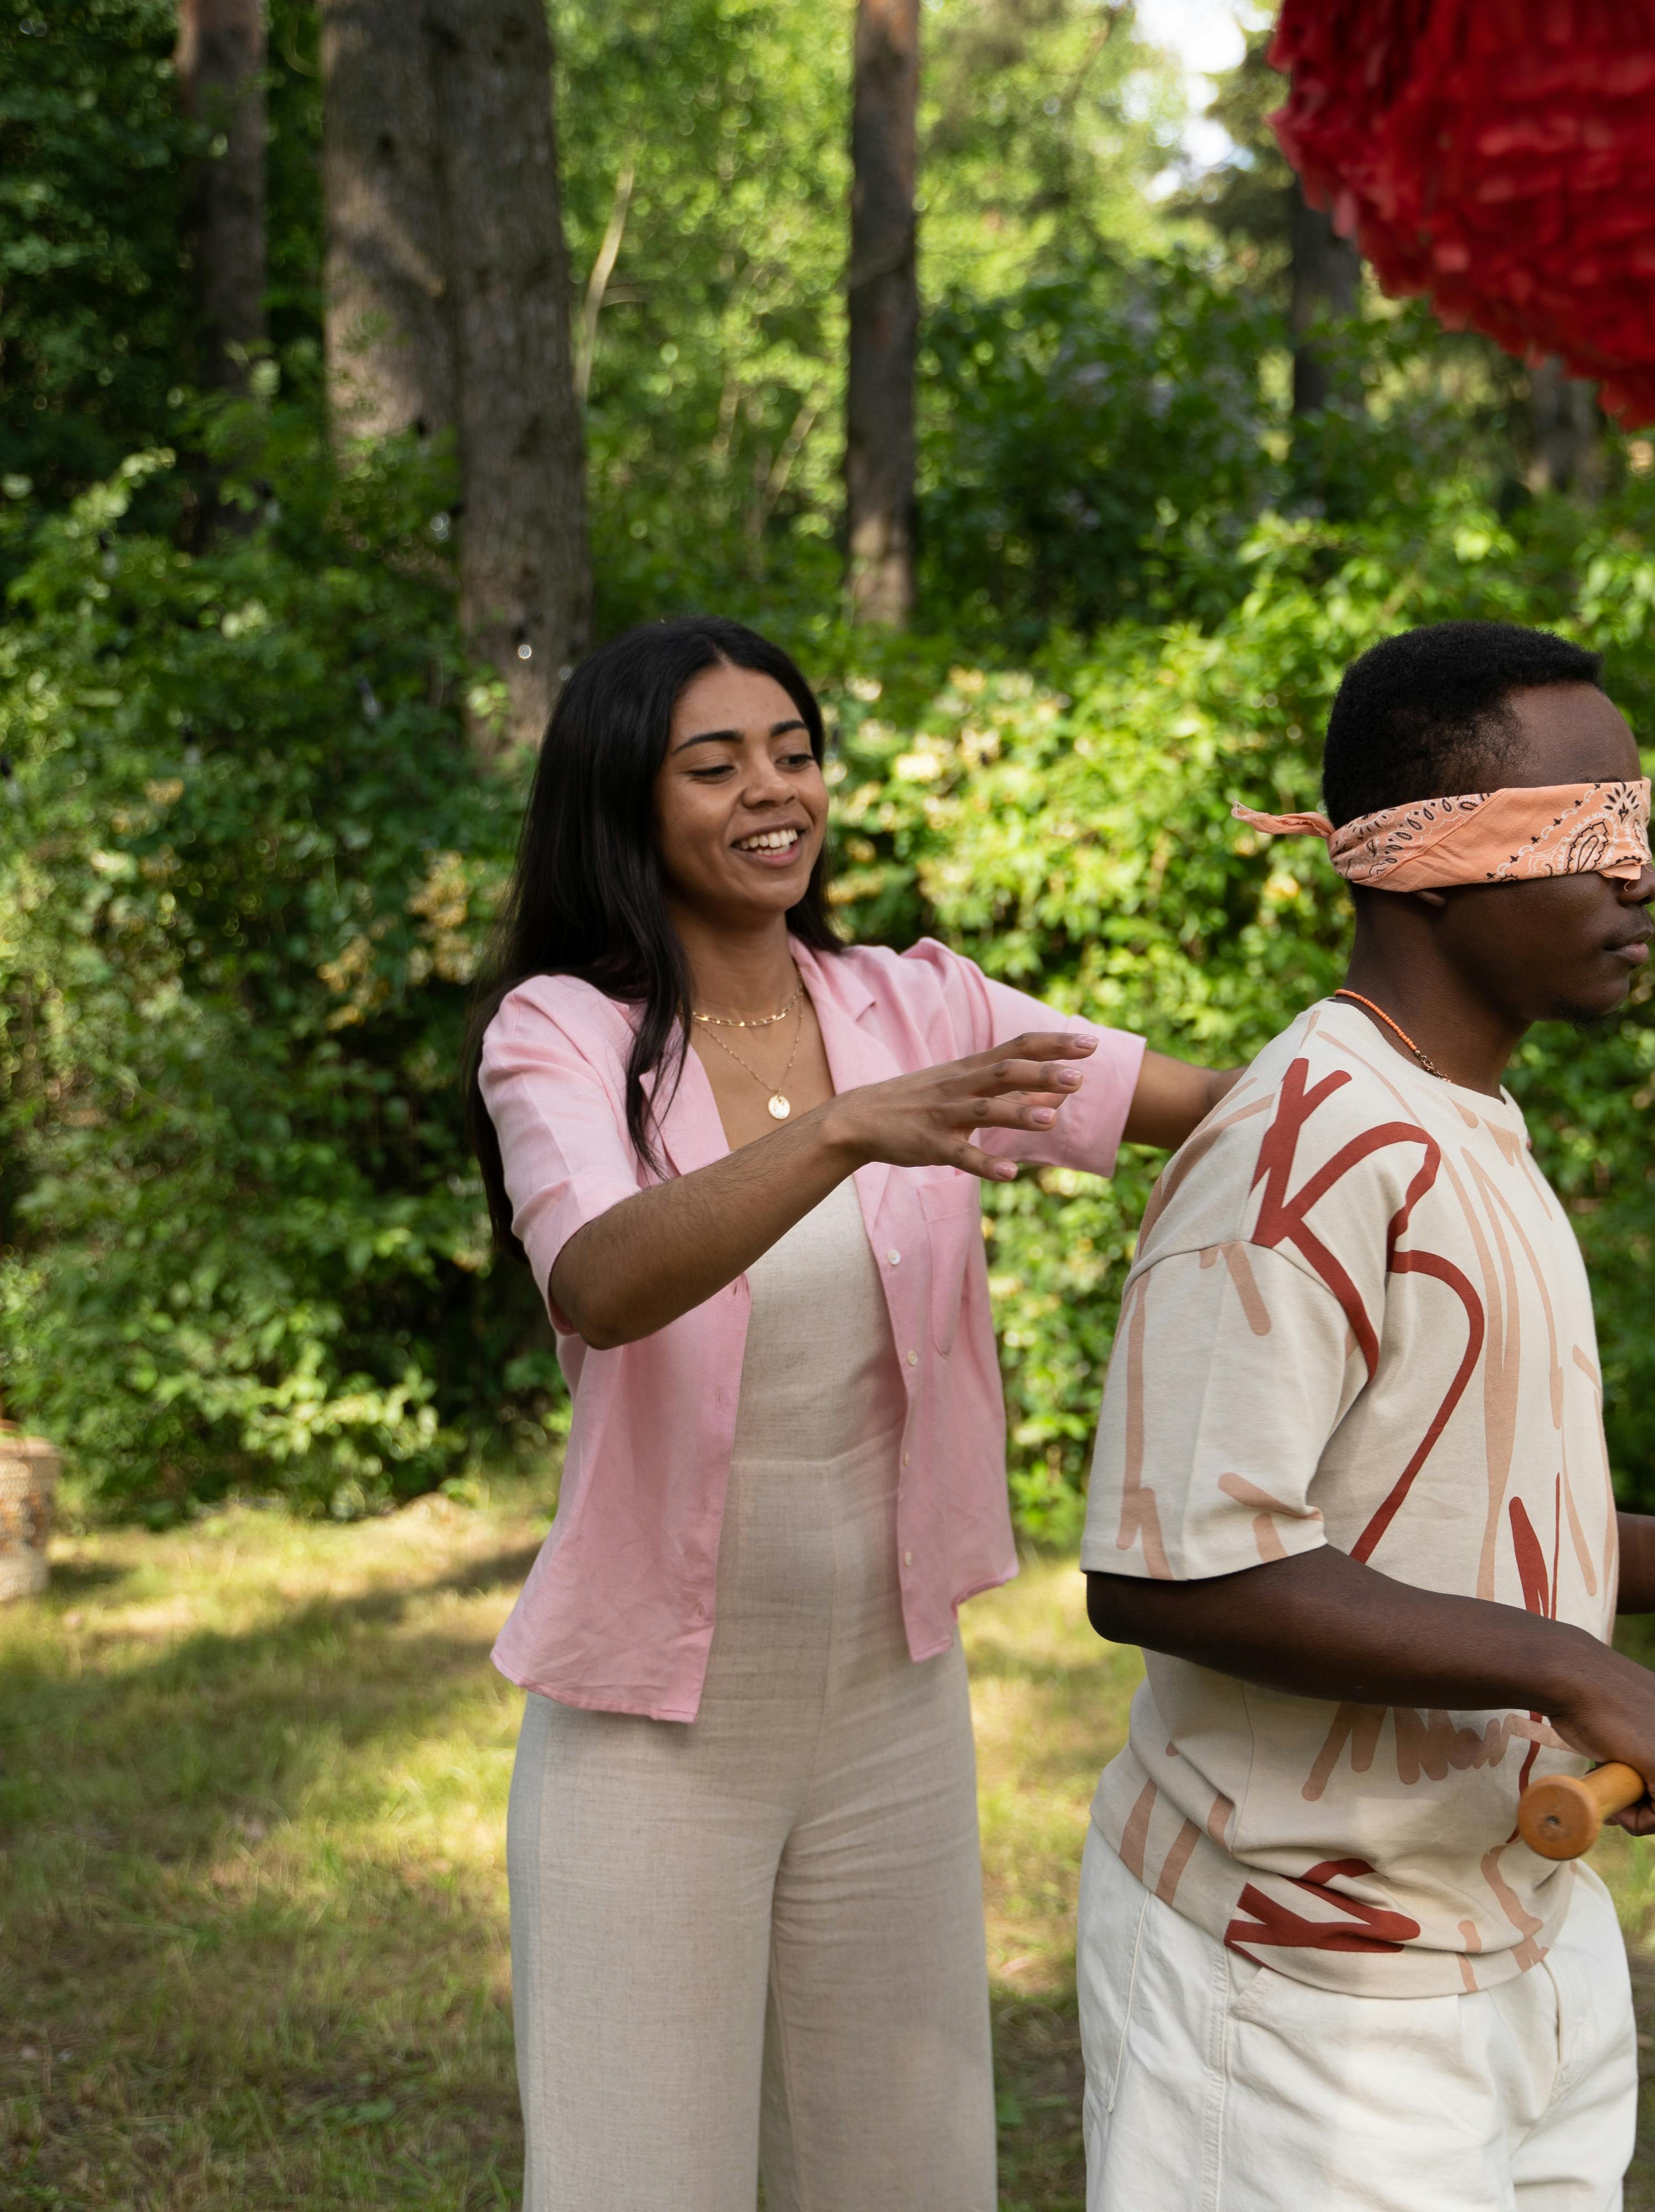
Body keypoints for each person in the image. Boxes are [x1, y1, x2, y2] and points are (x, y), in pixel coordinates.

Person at [471, 613, 1236, 2212]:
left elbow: (1209, 1116)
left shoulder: (921, 1007)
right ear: (626, 798)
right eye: (716, 762)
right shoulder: (566, 1031)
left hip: (891, 1702)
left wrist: (1407, 1056)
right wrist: (839, 1134)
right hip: (650, 1731)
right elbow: (600, 1281)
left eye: (796, 751)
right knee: (635, 2180)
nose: (775, 791)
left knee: (909, 2172)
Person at [1073, 620, 1655, 2210]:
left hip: (1516, 1943)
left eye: (1642, 830)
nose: (1644, 877)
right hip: (1299, 2003)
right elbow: (1171, 1568)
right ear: (1422, 868)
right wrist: (1564, 1665)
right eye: (1586, 836)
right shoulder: (1301, 1154)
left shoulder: (1463, 1118)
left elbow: (1422, 1504)